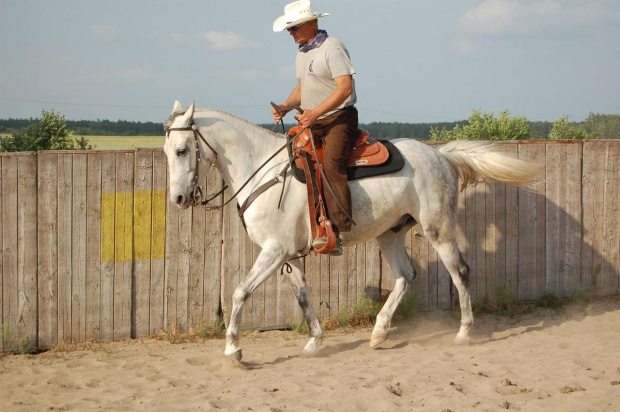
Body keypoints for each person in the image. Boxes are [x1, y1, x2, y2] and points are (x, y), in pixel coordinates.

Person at [272, 0, 358, 256]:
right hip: (313, 120)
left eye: (294, 27)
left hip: (339, 119)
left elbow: (345, 87)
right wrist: (287, 105)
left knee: (330, 165)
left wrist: (315, 113)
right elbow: (304, 88)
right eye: (289, 28)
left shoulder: (332, 47)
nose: (291, 32)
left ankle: (337, 231)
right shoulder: (302, 51)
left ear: (311, 23)